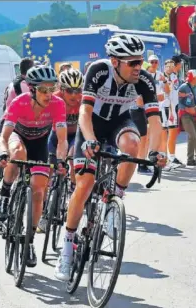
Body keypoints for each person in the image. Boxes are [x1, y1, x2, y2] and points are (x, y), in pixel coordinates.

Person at [54, 34, 167, 281]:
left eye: (140, 61)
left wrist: (158, 151)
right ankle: (67, 246)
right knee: (84, 185)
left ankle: (115, 198)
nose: (139, 67)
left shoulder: (144, 80)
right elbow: (84, 112)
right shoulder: (98, 71)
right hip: (92, 125)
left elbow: (155, 120)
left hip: (118, 122)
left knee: (133, 144)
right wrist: (90, 139)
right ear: (115, 61)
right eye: (133, 63)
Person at [0, 65, 68, 268]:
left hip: (40, 143)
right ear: (32, 89)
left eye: (51, 88)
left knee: (39, 191)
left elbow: (62, 141)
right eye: (43, 90)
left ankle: (28, 241)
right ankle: (5, 193)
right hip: (19, 136)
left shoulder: (58, 104)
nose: (48, 94)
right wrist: (2, 153)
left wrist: (61, 160)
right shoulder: (20, 102)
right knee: (17, 152)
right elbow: (3, 137)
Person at [37, 68, 84, 233]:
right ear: (61, 89)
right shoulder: (53, 99)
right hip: (54, 136)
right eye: (70, 90)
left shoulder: (84, 100)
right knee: (46, 176)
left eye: (78, 90)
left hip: (74, 137)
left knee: (73, 157)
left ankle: (72, 193)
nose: (74, 95)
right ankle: (43, 213)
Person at [135, 55, 168, 175]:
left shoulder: (150, 79)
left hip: (147, 110)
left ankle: (143, 162)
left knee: (148, 137)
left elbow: (161, 95)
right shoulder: (137, 79)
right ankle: (140, 163)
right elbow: (138, 101)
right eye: (148, 67)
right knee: (143, 138)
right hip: (137, 110)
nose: (151, 69)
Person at [166, 55, 186, 168]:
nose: (179, 67)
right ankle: (169, 157)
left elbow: (174, 91)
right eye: (179, 65)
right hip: (168, 108)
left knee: (173, 133)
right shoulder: (167, 76)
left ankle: (172, 156)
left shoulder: (174, 76)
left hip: (174, 106)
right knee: (169, 134)